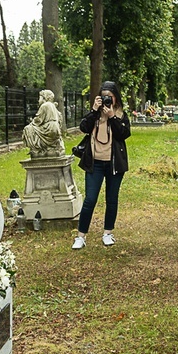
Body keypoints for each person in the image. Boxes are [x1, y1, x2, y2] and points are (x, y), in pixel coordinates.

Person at [72, 81, 131, 249]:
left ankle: (107, 233)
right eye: (104, 96)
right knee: (90, 199)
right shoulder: (95, 114)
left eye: (109, 97)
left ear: (115, 98)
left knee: (111, 199)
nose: (106, 100)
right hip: (95, 163)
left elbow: (124, 134)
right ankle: (81, 236)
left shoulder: (119, 114)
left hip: (114, 164)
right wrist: (93, 110)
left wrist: (112, 116)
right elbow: (84, 127)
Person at [22, 89, 65, 158]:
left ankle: (37, 149)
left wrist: (31, 123)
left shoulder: (44, 105)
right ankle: (49, 148)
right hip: (55, 128)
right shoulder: (52, 105)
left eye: (40, 97)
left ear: (45, 97)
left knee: (28, 129)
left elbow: (38, 120)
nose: (38, 100)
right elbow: (60, 116)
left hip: (48, 128)